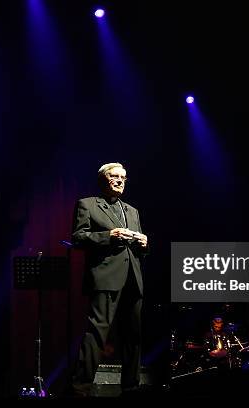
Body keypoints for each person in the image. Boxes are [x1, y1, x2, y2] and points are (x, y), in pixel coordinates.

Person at [70, 163, 148, 396]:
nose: (120, 181)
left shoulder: (132, 211)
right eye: (114, 177)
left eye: (123, 177)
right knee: (96, 334)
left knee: (133, 335)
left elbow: (137, 246)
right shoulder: (88, 204)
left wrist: (144, 244)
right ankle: (80, 388)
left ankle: (131, 386)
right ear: (103, 179)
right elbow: (78, 238)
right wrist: (108, 236)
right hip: (105, 277)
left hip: (133, 277)